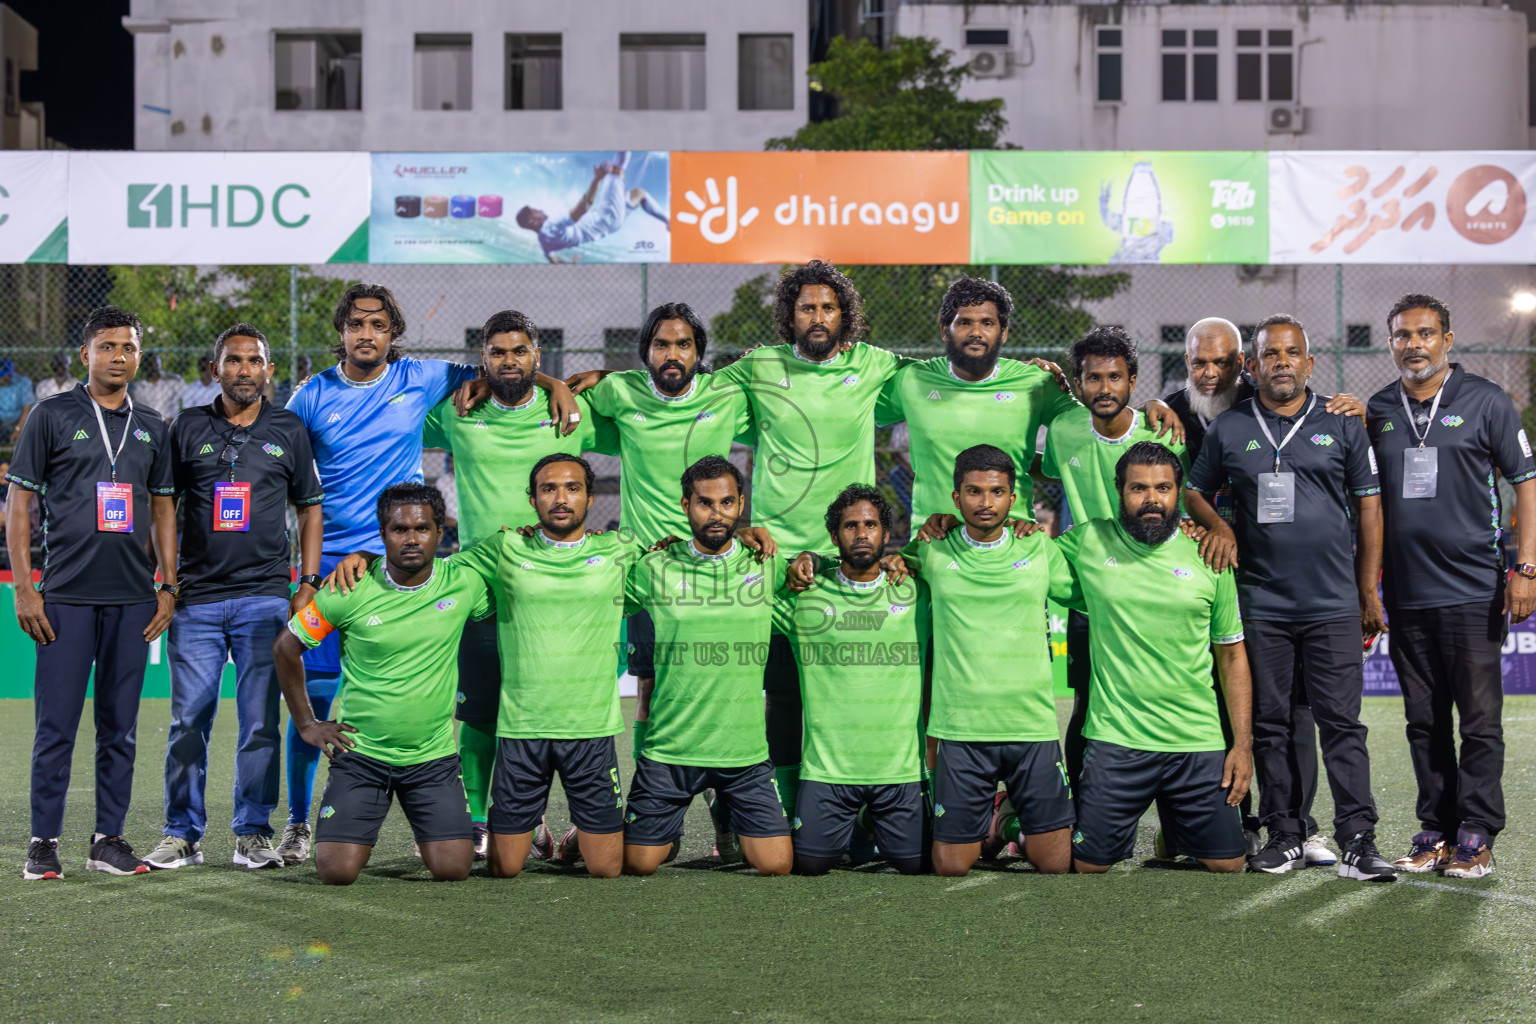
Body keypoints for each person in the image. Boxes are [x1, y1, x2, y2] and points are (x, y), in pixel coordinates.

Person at [278, 283, 579, 865]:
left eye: (379, 324)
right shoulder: (310, 396)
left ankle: (469, 809)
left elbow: (502, 370)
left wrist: (555, 382)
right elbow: (287, 482)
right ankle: (296, 822)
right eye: (357, 324)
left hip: (400, 563)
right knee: (315, 700)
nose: (367, 333)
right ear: (341, 330)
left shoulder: (420, 377)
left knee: (435, 693)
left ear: (394, 332)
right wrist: (307, 572)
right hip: (331, 570)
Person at [1184, 315, 1394, 881]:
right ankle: (1284, 833)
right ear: (1252, 366)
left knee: (1342, 725)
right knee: (1272, 724)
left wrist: (1367, 590)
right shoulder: (1230, 426)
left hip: (1332, 605)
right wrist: (1219, 528)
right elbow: (1193, 490)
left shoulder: (1343, 423)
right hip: (1262, 604)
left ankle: (1357, 837)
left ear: (1309, 361)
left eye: (1292, 352)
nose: (1281, 361)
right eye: (1270, 354)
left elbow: (1370, 508)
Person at [421, 311, 611, 860]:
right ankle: (483, 821)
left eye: (521, 352)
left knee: (563, 710)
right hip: (486, 584)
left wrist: (578, 382)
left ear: (537, 356)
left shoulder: (571, 412)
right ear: (483, 358)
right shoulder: (460, 410)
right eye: (498, 353)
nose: (510, 361)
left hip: (561, 587)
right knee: (480, 712)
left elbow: (640, 415)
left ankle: (573, 822)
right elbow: (394, 410)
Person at [578, 302, 760, 857]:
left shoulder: (728, 395)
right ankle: (657, 806)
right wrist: (572, 380)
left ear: (699, 354)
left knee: (726, 685)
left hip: (718, 570)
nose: (672, 354)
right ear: (646, 353)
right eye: (661, 344)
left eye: (683, 345)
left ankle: (728, 813)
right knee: (651, 690)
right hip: (650, 577)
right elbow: (569, 399)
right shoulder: (621, 391)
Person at [144, 323, 325, 872]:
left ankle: (252, 831)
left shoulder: (289, 428)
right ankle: (182, 833)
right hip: (196, 600)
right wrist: (169, 583)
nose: (244, 370)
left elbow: (309, 506)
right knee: (188, 721)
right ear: (215, 368)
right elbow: (165, 506)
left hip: (265, 598)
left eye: (254, 361)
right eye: (233, 360)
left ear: (268, 369)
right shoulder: (187, 426)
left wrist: (308, 583)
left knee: (259, 722)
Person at [6, 305, 178, 881]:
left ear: (139, 356)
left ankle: (108, 839)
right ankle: (42, 843)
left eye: (128, 347)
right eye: (107, 346)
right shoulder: (50, 416)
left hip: (131, 598)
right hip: (65, 597)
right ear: (86, 354)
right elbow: (20, 505)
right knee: (56, 725)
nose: (118, 356)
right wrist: (25, 588)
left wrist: (167, 586)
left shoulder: (153, 424)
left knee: (120, 727)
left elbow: (162, 510)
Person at [1368, 293, 1536, 879]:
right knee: (1423, 720)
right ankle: (1434, 830)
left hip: (1474, 587)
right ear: (1391, 343)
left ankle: (1476, 833)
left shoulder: (1486, 400)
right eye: (1402, 335)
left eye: (1425, 333)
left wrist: (1527, 567)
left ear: (1447, 339)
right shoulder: (1378, 409)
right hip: (1407, 593)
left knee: (1480, 721)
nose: (1413, 344)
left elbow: (1526, 483)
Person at [273, 484, 492, 884]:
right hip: (362, 757)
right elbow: (285, 649)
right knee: (336, 872)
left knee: (453, 868)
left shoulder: (464, 584)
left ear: (440, 532)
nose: (411, 539)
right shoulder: (347, 590)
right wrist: (307, 724)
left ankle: (430, 819)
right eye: (399, 529)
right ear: (382, 533)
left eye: (422, 529)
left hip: (433, 758)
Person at [1053, 442, 1252, 874]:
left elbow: (1232, 655)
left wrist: (1241, 744)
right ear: (1119, 490)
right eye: (1138, 488)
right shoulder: (1087, 542)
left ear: (1178, 492)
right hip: (1117, 739)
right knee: (1088, 868)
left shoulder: (1209, 556)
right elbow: (1024, 561)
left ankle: (1175, 832)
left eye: (1163, 488)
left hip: (1195, 741)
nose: (1151, 500)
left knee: (1230, 866)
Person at [901, 445, 1073, 876]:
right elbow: (884, 570)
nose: (986, 503)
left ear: (1012, 500)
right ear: (956, 499)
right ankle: (996, 821)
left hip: (1029, 726)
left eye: (997, 493)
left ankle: (1008, 826)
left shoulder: (1038, 548)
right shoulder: (930, 550)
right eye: (974, 493)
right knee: (951, 867)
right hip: (960, 728)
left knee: (1056, 864)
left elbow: (1092, 594)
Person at [621, 456, 791, 877]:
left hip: (744, 754)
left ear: (741, 504)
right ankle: (666, 830)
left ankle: (727, 808)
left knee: (776, 864)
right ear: (685, 505)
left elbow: (822, 572)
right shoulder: (654, 567)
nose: (717, 513)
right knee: (639, 863)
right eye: (704, 503)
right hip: (671, 750)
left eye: (727, 503)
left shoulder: (766, 564)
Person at [1040, 327, 1189, 793]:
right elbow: (1038, 466)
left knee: (1170, 700)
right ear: (1079, 382)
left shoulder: (1161, 431)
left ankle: (1179, 818)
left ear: (1133, 381)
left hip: (1156, 591)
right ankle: (1082, 811)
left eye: (1114, 378)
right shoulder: (1064, 430)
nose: (1104, 388)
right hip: (1092, 595)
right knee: (1087, 704)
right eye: (1092, 378)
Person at [773, 484, 929, 876]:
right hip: (828, 773)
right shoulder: (804, 593)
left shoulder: (917, 591)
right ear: (833, 536)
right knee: (809, 864)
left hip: (900, 772)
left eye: (871, 525)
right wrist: (808, 558)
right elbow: (746, 564)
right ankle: (859, 820)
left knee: (917, 865)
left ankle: (866, 823)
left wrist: (911, 558)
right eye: (850, 526)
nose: (861, 534)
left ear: (886, 534)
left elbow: (950, 555)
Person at [875, 278, 1081, 534]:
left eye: (987, 323)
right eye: (964, 322)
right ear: (944, 330)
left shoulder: (1035, 383)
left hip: (1012, 545)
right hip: (932, 545)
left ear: (1003, 332)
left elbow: (1092, 431)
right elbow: (853, 405)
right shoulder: (912, 381)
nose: (976, 332)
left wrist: (1140, 411)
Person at [516, 152, 668, 264]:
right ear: (532, 221)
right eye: (537, 211)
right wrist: (597, 179)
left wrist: (569, 263)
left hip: (611, 226)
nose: (542, 211)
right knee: (616, 170)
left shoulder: (544, 241)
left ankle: (669, 222)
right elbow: (582, 209)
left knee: (639, 193)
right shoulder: (551, 226)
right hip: (606, 216)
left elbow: (554, 260)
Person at [131, 352, 184, 425]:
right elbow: (139, 409)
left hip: (170, 423)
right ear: (144, 366)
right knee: (137, 433)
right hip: (148, 425)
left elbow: (188, 398)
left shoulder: (173, 380)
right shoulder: (139, 386)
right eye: (150, 364)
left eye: (156, 364)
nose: (153, 366)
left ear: (160, 364)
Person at [1, 358, 36, 444]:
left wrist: (18, 429)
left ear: (8, 376)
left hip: (18, 420)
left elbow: (27, 408)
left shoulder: (23, 382)